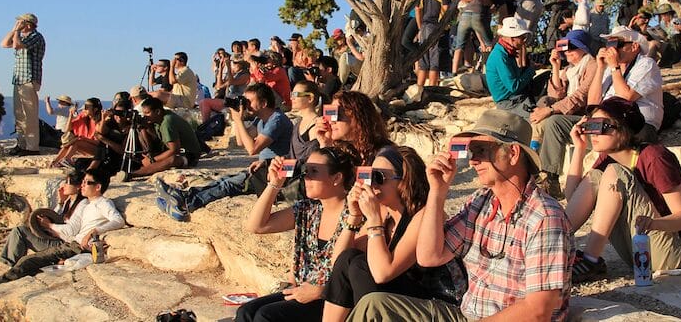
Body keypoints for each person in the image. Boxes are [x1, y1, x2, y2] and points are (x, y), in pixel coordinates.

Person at [348, 109, 574, 321]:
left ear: (513, 153)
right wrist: (437, 191)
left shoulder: (544, 217)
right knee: (373, 304)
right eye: (472, 151)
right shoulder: (481, 202)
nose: (474, 160)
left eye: (482, 151)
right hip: (466, 315)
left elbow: (538, 310)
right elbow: (430, 256)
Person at [322, 146, 464, 322]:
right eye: (368, 176)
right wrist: (354, 217)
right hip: (398, 297)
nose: (371, 184)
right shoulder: (384, 212)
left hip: (434, 303)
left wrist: (373, 220)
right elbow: (339, 263)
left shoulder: (424, 215)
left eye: (378, 177)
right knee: (351, 258)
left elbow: (383, 273)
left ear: (403, 181)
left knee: (361, 266)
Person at [564, 97, 681, 282]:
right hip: (637, 249)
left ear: (622, 128)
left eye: (601, 126)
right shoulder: (607, 159)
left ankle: (590, 260)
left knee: (614, 173)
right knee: (595, 176)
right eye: (590, 125)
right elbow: (573, 197)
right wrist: (579, 148)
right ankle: (552, 245)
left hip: (670, 250)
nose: (593, 134)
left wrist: (653, 223)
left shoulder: (654, 157)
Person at [234, 146, 358, 322]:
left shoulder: (354, 213)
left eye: (314, 171)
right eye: (306, 171)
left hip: (332, 299)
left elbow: (344, 267)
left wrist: (319, 289)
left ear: (337, 178)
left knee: (266, 317)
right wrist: (274, 183)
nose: (306, 177)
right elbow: (256, 226)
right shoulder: (308, 209)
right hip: (301, 291)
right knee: (245, 312)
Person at [538, 24, 664, 194]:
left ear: (634, 46)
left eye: (616, 44)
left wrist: (614, 68)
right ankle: (551, 179)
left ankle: (614, 187)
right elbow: (592, 103)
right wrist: (601, 69)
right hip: (605, 124)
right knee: (555, 123)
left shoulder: (647, 64)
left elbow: (625, 98)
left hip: (635, 125)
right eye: (608, 45)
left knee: (614, 141)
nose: (610, 49)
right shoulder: (608, 69)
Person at [154, 83, 292, 220]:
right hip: (264, 167)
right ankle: (185, 195)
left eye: (249, 101)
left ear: (263, 103)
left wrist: (238, 120)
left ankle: (187, 204)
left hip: (274, 173)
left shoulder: (276, 120)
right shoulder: (262, 120)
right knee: (223, 179)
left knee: (229, 185)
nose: (246, 104)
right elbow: (240, 142)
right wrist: (238, 119)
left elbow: (252, 149)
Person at [0, 169, 125, 286]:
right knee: (30, 261)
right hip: (71, 244)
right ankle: (4, 280)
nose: (82, 185)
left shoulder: (103, 203)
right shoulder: (90, 204)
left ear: (98, 187)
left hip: (76, 247)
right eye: (83, 182)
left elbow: (118, 220)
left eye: (87, 182)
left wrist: (93, 232)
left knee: (28, 261)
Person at [529, 30, 597, 195]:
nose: (567, 51)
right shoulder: (570, 69)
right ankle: (535, 168)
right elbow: (556, 95)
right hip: (570, 113)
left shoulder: (592, 65)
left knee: (552, 121)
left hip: (586, 114)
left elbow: (581, 96)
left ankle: (550, 177)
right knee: (542, 111)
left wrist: (550, 110)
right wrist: (555, 66)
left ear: (584, 49)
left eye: (572, 47)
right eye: (565, 47)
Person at [0, 171, 86, 267]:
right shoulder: (69, 201)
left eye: (67, 183)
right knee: (21, 229)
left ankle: (10, 265)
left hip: (64, 245)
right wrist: (60, 202)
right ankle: (11, 264)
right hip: (56, 239)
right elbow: (55, 217)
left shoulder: (82, 204)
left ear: (78, 187)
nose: (63, 185)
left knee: (20, 231)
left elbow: (71, 230)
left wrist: (49, 225)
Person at [0, 13, 46, 156]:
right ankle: (22, 144)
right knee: (19, 114)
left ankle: (32, 147)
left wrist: (17, 31)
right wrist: (15, 30)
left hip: (29, 78)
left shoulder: (35, 37)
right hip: (19, 79)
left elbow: (16, 45)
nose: (18, 24)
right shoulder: (21, 35)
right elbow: (4, 44)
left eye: (20, 22)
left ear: (28, 24)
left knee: (29, 114)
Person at [127, 97, 202, 178]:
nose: (145, 116)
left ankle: (134, 174)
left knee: (172, 160)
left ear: (158, 111)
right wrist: (145, 126)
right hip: (172, 149)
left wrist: (153, 160)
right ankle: (145, 165)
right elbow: (159, 136)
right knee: (142, 130)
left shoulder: (167, 121)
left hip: (189, 155)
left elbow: (174, 150)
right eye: (144, 114)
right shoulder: (159, 117)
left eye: (147, 113)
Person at [315, 91, 393, 165]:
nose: (331, 121)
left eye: (337, 114)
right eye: (330, 114)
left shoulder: (385, 153)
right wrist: (325, 144)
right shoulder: (341, 153)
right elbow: (324, 176)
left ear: (357, 117)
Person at [485, 17, 536, 117]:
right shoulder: (500, 56)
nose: (523, 41)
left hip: (514, 98)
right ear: (513, 38)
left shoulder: (505, 53)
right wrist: (530, 71)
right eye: (522, 38)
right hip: (509, 103)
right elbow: (514, 86)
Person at [452, 0, 491, 75]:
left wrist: (457, 0)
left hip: (466, 12)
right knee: (468, 40)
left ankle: (457, 69)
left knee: (460, 43)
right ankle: (468, 65)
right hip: (471, 13)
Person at [415, 0, 452, 88]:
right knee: (434, 62)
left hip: (424, 26)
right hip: (436, 25)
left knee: (423, 62)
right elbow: (446, 8)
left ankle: (419, 88)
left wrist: (419, 28)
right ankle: (432, 88)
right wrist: (443, 26)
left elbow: (418, 9)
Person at [50, 98, 104, 168]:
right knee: (69, 144)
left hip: (97, 149)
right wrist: (70, 115)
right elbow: (68, 129)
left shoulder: (100, 121)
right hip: (85, 145)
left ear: (95, 109)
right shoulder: (83, 117)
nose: (84, 109)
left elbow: (99, 143)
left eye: (87, 107)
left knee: (76, 142)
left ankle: (67, 159)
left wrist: (84, 139)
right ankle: (55, 162)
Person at [200, 55, 250, 123]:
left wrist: (229, 68)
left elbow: (231, 82)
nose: (234, 65)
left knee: (205, 102)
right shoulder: (235, 75)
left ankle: (205, 125)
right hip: (229, 100)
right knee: (202, 102)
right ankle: (205, 125)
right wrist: (221, 68)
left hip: (236, 102)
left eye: (235, 63)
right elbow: (219, 86)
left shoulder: (245, 75)